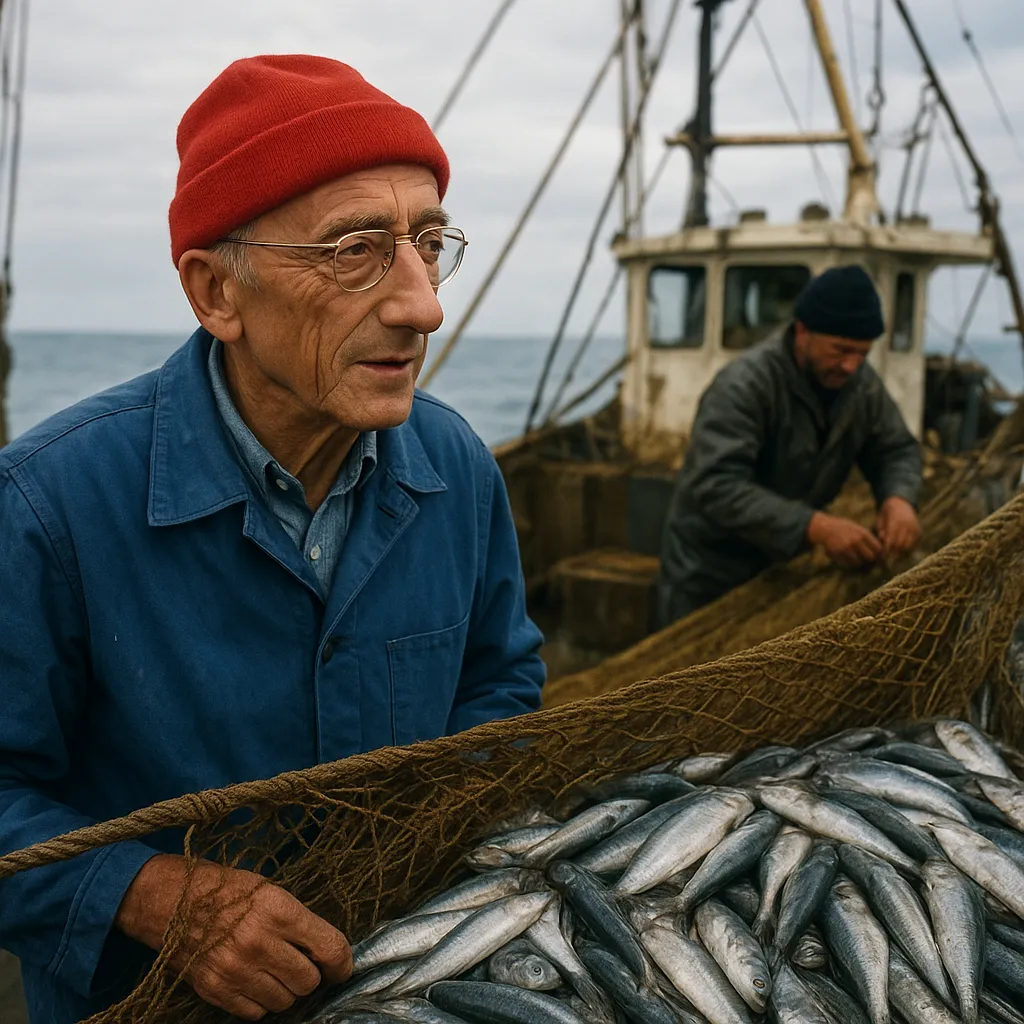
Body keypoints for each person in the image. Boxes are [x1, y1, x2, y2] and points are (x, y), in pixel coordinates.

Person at [0, 55, 546, 1023]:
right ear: (217, 293)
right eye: (355, 250)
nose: (424, 304)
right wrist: (151, 895)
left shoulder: (458, 467)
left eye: (428, 243)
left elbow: (499, 684)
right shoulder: (48, 505)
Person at [657, 264, 923, 626]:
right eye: (841, 350)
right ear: (802, 332)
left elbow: (896, 449)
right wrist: (816, 527)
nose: (851, 366)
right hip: (708, 575)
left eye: (863, 353)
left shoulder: (861, 385)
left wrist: (899, 499)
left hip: (778, 568)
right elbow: (715, 484)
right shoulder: (743, 386)